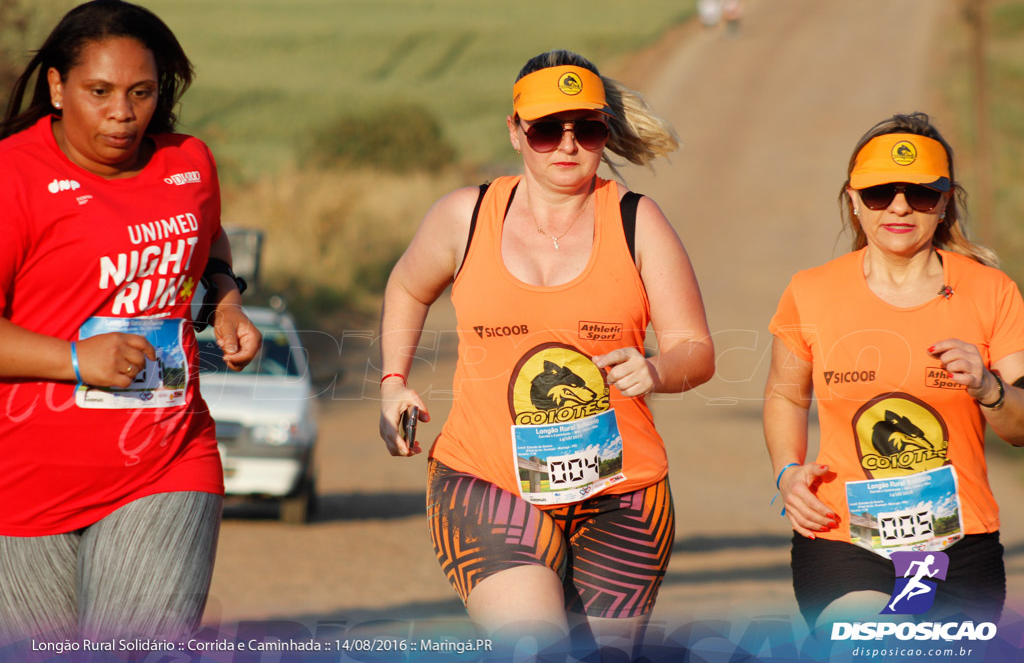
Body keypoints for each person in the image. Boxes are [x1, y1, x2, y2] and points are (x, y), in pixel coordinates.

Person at [378, 49, 714, 657]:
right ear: (514, 131)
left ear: (604, 133)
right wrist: (392, 380)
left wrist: (658, 369)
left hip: (621, 493)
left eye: (586, 128)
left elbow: (696, 350)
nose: (567, 145)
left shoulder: (638, 220)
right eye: (545, 129)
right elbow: (406, 285)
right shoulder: (466, 215)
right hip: (487, 481)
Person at [0, 0, 260, 644]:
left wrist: (224, 296)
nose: (123, 113)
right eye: (100, 91)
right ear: (57, 87)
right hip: (23, 488)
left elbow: (208, 235)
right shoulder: (13, 178)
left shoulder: (188, 165)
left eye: (141, 93)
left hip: (165, 462)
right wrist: (74, 359)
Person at [763, 112, 1024, 631]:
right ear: (854, 200)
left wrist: (989, 388)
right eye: (881, 193)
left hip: (961, 542)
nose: (900, 207)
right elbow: (786, 396)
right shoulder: (810, 291)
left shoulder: (991, 291)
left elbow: (1020, 429)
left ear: (946, 200)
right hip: (845, 540)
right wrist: (788, 473)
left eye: (921, 194)